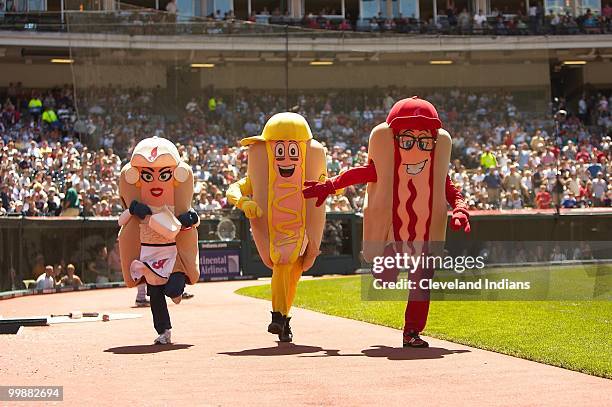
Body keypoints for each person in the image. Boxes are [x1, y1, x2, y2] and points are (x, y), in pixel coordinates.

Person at [118, 137, 200, 345]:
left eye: (163, 175)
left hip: (171, 254)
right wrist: (132, 209)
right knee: (155, 296)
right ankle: (164, 331)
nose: (155, 182)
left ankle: (177, 292)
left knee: (172, 289)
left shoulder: (173, 205)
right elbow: (121, 221)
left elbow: (193, 217)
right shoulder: (140, 209)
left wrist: (190, 220)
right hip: (149, 255)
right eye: (147, 175)